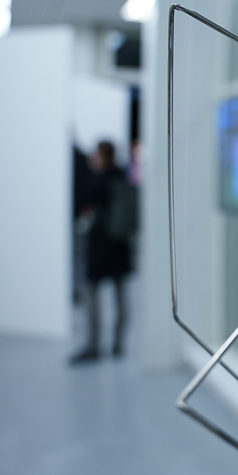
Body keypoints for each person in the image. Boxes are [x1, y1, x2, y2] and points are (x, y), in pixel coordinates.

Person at [71, 141, 137, 363]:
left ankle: (93, 345)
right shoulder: (123, 176)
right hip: (120, 246)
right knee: (121, 297)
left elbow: (80, 203)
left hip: (100, 246)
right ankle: (118, 343)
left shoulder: (97, 180)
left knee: (92, 295)